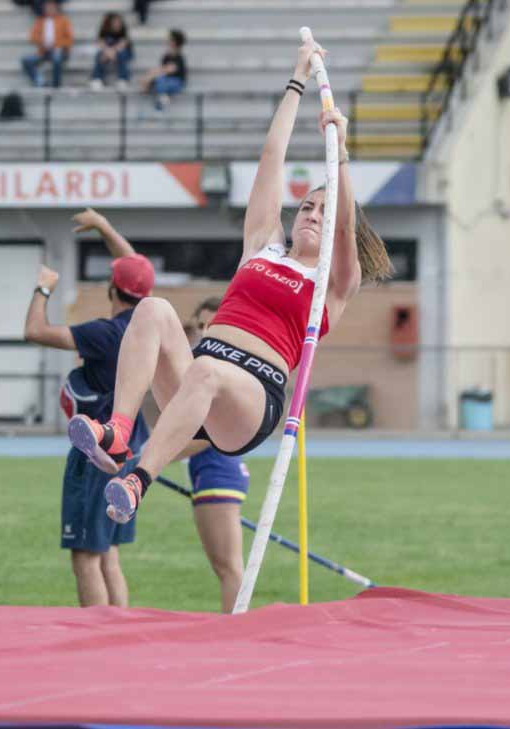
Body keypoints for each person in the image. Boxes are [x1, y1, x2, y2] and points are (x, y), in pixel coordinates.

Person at [68, 39, 394, 527]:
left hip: (250, 400)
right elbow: (271, 156)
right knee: (154, 309)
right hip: (200, 378)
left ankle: (137, 480)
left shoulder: (332, 281)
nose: (311, 214)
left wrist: (340, 156)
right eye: (307, 205)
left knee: (207, 373)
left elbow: (346, 226)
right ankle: (117, 428)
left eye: (323, 212)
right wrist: (296, 79)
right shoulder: (263, 245)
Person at [23, 208, 154, 607]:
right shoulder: (148, 326)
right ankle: (118, 638)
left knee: (85, 558)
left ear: (112, 291)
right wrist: (105, 228)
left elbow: (34, 331)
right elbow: (134, 270)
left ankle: (96, 641)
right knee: (108, 555)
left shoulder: (105, 333)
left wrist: (43, 288)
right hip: (130, 450)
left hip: (95, 450)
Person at [179, 297, 252, 614]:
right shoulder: (196, 366)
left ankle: (236, 631)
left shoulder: (222, 373)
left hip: (218, 474)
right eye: (200, 326)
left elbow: (209, 436)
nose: (206, 332)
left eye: (214, 326)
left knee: (229, 568)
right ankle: (234, 628)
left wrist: (149, 461)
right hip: (208, 474)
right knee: (225, 568)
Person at [21, 0, 73, 88]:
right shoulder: (40, 21)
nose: (49, 10)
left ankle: (56, 84)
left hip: (59, 50)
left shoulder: (63, 21)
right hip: (44, 51)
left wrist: (55, 44)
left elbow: (69, 39)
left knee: (57, 57)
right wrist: (43, 42)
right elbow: (32, 37)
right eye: (47, 8)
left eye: (51, 7)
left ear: (56, 8)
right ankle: (40, 81)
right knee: (26, 60)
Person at [138, 28, 186, 111]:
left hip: (177, 81)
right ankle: (161, 96)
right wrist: (151, 74)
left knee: (160, 81)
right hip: (166, 79)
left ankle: (163, 98)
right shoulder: (166, 56)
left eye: (170, 39)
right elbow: (163, 69)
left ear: (174, 41)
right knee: (159, 79)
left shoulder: (179, 56)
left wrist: (151, 75)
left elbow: (170, 69)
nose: (167, 41)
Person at [89, 12, 134, 90]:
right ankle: (96, 78)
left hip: (123, 52)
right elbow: (101, 43)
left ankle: (123, 79)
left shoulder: (123, 30)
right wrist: (107, 53)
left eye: (119, 22)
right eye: (115, 22)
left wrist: (112, 52)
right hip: (109, 52)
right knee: (99, 54)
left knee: (122, 54)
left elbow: (122, 44)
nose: (117, 24)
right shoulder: (104, 31)